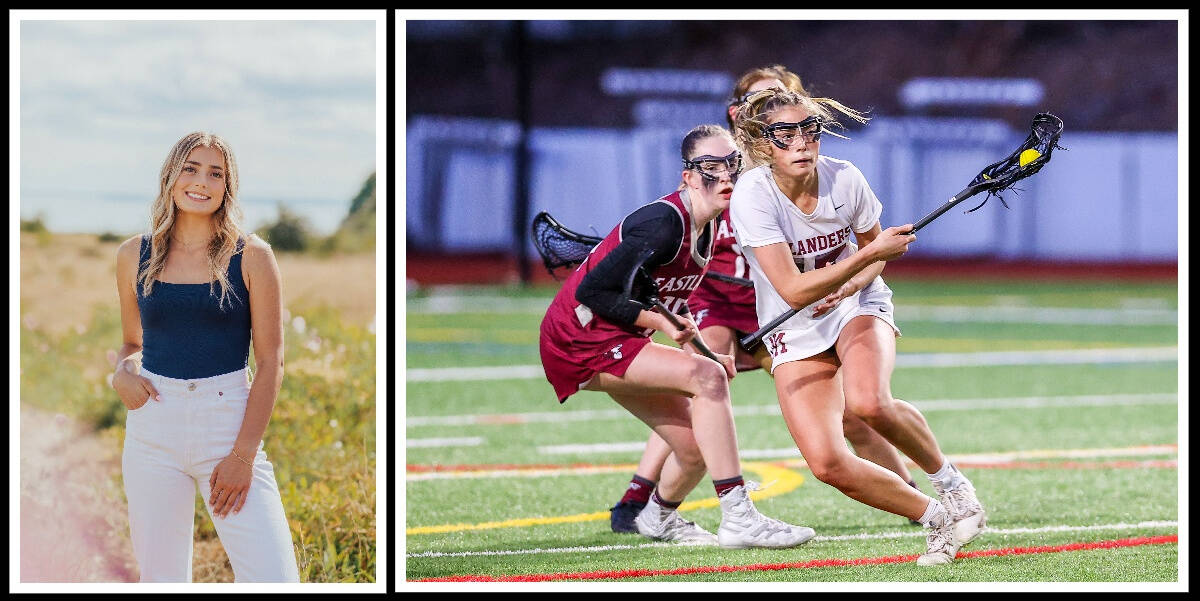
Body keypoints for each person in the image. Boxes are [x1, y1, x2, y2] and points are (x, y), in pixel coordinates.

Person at [609, 65, 924, 533]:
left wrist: (858, 269)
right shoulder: (725, 166)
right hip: (719, 296)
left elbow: (838, 249)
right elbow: (681, 213)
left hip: (781, 306)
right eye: (767, 108)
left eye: (793, 112)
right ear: (743, 115)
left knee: (852, 415)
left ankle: (914, 500)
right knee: (703, 383)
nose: (792, 132)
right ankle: (643, 498)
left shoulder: (804, 168)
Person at [539, 124, 869, 549]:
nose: (727, 175)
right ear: (688, 176)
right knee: (708, 379)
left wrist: (695, 345)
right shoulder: (663, 223)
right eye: (711, 167)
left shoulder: (708, 228)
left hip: (615, 338)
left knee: (696, 448)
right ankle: (739, 515)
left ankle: (657, 516)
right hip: (578, 341)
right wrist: (666, 329)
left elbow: (664, 303)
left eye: (732, 164)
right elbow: (592, 292)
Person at [728, 87, 987, 566]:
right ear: (762, 144)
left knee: (868, 403)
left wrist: (855, 281)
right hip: (796, 323)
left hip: (856, 304)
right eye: (786, 133)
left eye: (810, 129)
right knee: (826, 462)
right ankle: (938, 518)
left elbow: (874, 261)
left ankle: (955, 487)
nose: (803, 141)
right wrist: (868, 255)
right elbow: (793, 289)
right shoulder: (752, 196)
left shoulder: (844, 179)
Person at [112, 131, 300, 582]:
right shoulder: (133, 254)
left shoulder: (253, 255)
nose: (201, 181)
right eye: (191, 168)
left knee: (275, 579)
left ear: (227, 186)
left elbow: (271, 363)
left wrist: (242, 456)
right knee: (163, 580)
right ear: (171, 177)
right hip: (152, 430)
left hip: (228, 424)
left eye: (215, 173)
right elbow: (131, 343)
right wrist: (119, 374)